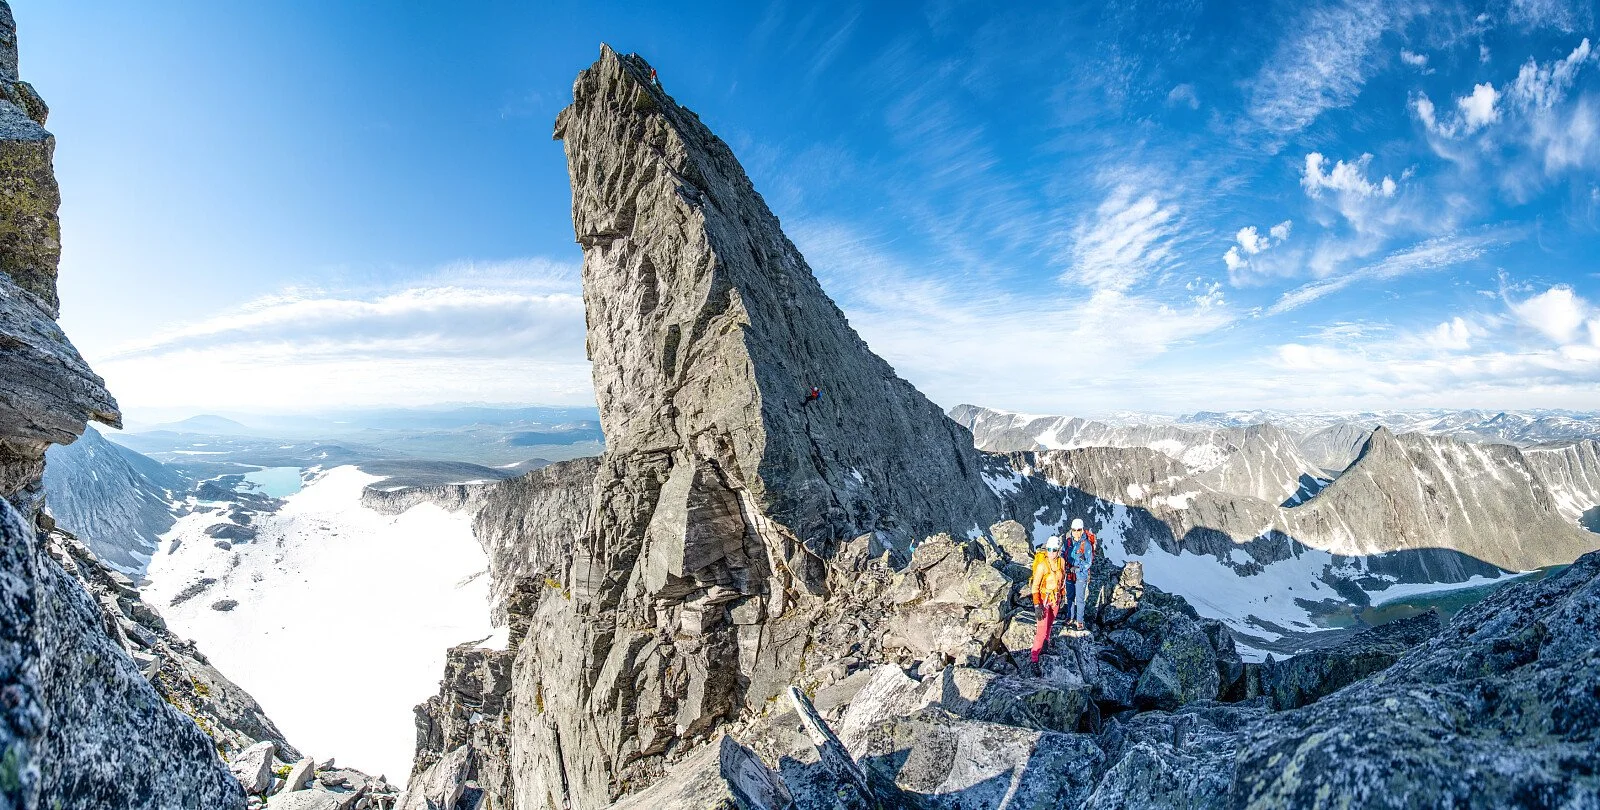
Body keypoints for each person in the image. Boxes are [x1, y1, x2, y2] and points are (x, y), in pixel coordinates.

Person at [1029, 536, 1067, 663]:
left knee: (1049, 625)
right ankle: (1034, 658)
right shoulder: (1042, 566)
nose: (1051, 552)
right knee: (1041, 631)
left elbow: (1062, 580)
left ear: (1058, 550)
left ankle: (1045, 646)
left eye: (1054, 550)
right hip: (1043, 601)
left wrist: (1062, 594)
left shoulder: (1061, 562)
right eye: (1049, 549)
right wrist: (1037, 605)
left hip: (1055, 599)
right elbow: (1035, 587)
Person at [1064, 518, 1097, 630]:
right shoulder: (1068, 542)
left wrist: (1078, 568)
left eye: (1078, 530)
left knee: (1079, 599)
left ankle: (1079, 621)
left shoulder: (1086, 544)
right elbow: (1063, 554)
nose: (1076, 532)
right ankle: (1070, 617)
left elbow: (1089, 562)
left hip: (1080, 575)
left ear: (1082, 530)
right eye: (1074, 530)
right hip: (1070, 573)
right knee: (1070, 597)